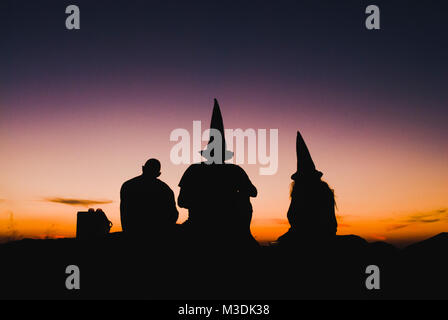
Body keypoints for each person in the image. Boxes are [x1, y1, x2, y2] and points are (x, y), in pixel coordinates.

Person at [178, 99, 258, 247]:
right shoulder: (235, 171)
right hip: (229, 228)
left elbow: (181, 201)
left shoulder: (194, 170)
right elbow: (253, 192)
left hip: (197, 226)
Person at [277, 131, 337, 244]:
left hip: (310, 238)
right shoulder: (325, 191)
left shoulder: (302, 193)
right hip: (324, 235)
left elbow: (296, 220)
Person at [120, 158, 179, 239]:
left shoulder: (128, 186)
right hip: (158, 234)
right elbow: (173, 215)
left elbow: (124, 212)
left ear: (143, 168)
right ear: (159, 173)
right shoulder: (164, 189)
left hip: (133, 233)